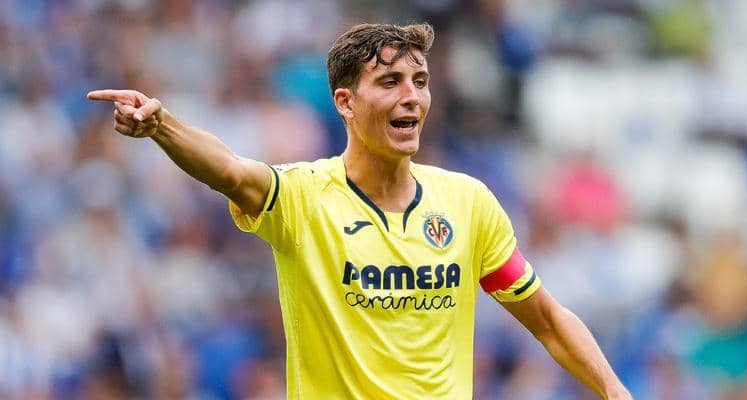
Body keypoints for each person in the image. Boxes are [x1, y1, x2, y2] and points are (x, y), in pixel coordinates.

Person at [88, 22, 631, 400]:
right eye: (390, 82)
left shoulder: (468, 203)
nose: (412, 96)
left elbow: (547, 319)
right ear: (345, 102)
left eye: (420, 82)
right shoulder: (302, 198)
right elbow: (230, 169)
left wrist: (614, 390)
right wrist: (161, 126)